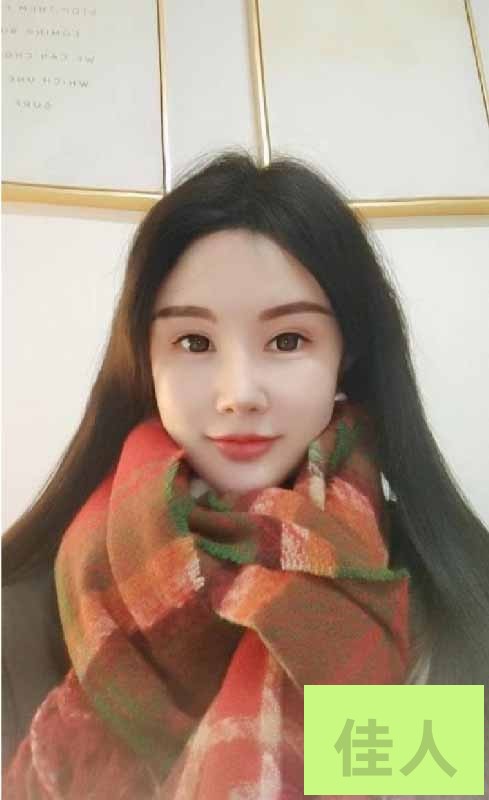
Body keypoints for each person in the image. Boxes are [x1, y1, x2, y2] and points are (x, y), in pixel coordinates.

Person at [2, 149, 488, 799]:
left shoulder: (453, 592)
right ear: (145, 359)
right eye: (194, 342)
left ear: (345, 354)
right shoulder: (23, 607)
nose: (239, 394)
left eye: (287, 340)